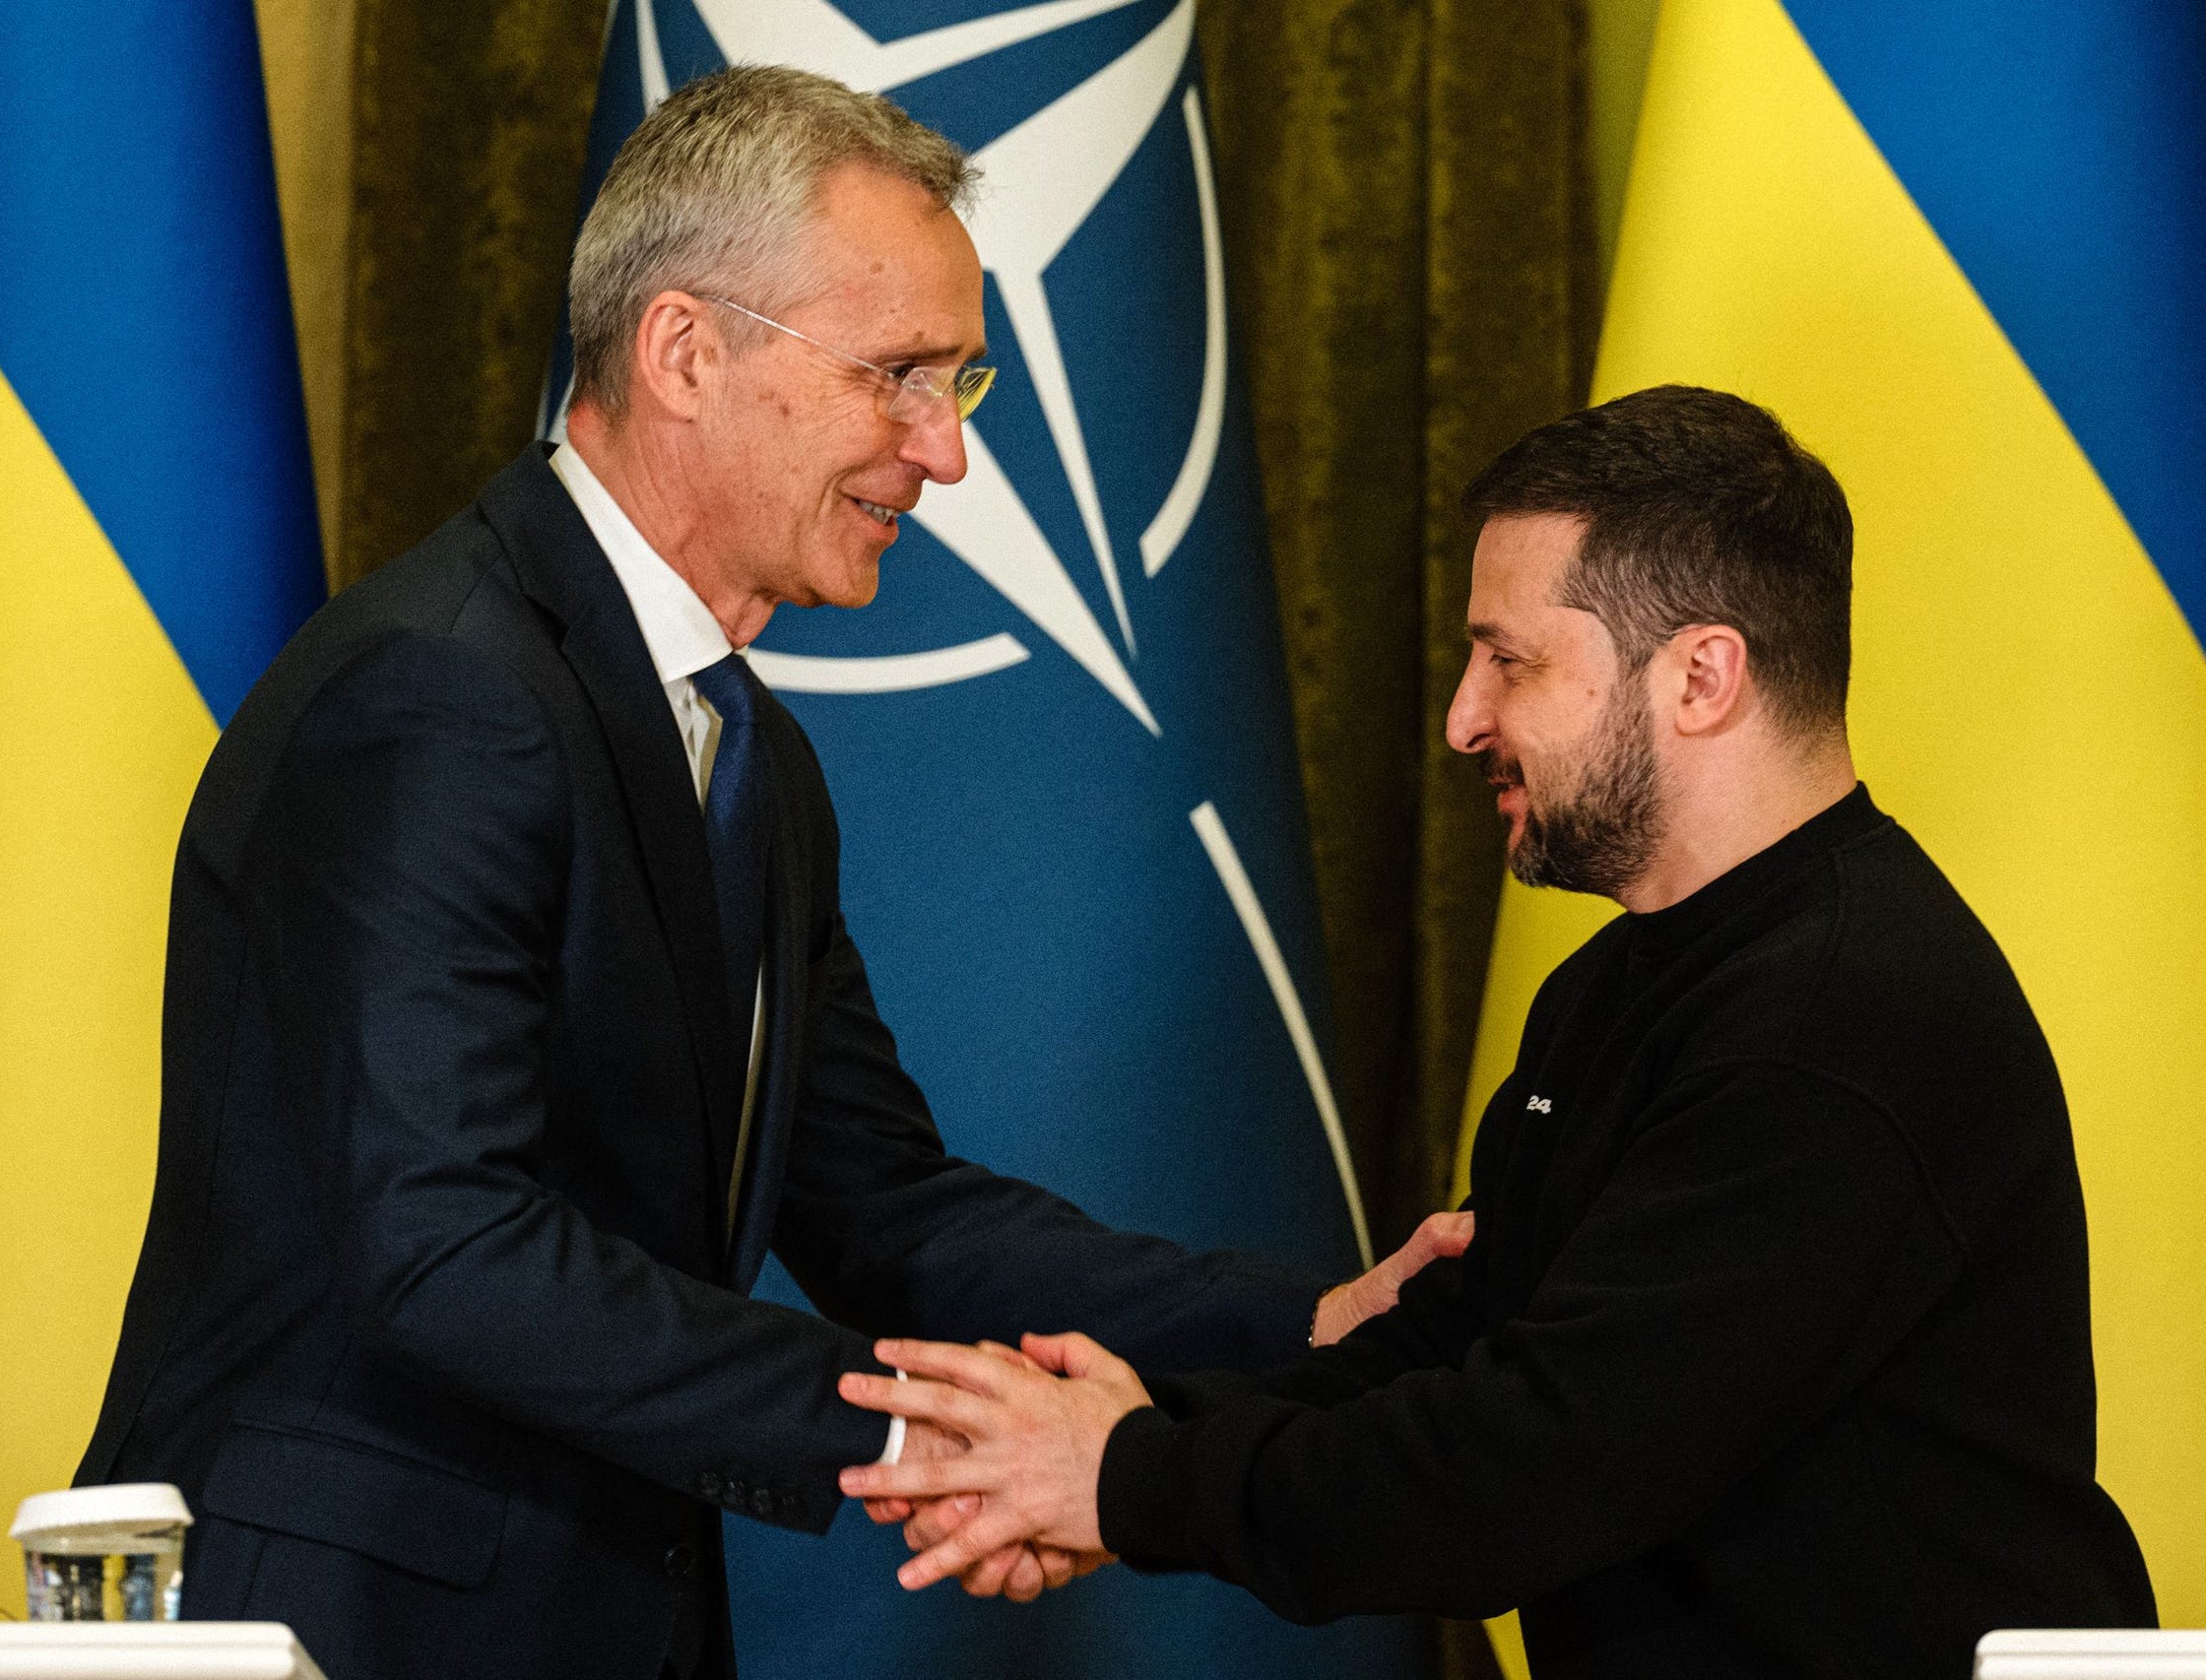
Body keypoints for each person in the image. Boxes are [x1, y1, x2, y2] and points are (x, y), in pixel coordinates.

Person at [73, 65, 1459, 1680]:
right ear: (684, 352)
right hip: (347, 1620)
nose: (942, 454)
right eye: (898, 376)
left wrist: (1303, 1329)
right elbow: (444, 1238)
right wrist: (922, 1441)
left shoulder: (748, 755)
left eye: (961, 383)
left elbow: (888, 1211)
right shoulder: (445, 692)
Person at [840, 385, 2160, 1678]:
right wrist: (1118, 1438)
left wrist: (1125, 1478)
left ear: (1702, 676)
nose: (1465, 717)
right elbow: (1461, 1354)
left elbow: (1533, 1465)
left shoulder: (1839, 1020)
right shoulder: (1619, 986)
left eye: (1511, 658)